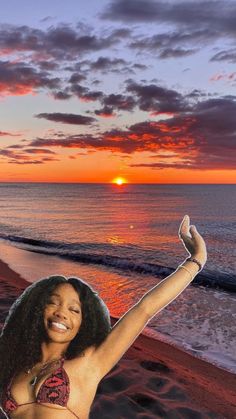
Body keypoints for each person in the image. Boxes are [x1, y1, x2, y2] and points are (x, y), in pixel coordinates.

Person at [0, 215, 207, 419]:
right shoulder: (16, 362)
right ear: (37, 309)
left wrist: (196, 260)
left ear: (83, 323)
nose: (61, 312)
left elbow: (144, 309)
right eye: (53, 302)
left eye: (74, 310)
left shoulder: (91, 360)